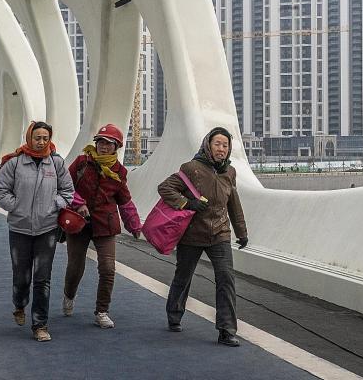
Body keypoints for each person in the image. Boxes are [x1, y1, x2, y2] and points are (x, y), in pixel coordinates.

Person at [158, 126, 248, 347]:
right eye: (217, 144)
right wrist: (188, 203)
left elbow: (233, 204)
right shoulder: (191, 168)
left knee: (226, 279)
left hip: (220, 233)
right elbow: (165, 188)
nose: (221, 149)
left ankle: (226, 330)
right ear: (208, 145)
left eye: (225, 145)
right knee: (183, 276)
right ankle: (174, 314)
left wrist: (242, 232)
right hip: (192, 234)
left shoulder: (230, 172)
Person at [0, 121, 74, 342]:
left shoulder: (56, 163)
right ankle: (19, 304)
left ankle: (40, 325)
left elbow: (68, 191)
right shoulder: (15, 163)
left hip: (47, 228)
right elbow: (0, 191)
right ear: (29, 137)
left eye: (45, 138)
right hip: (19, 228)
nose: (41, 142)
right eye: (37, 137)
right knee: (21, 277)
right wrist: (16, 206)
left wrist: (54, 204)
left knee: (42, 279)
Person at [63, 123, 142, 329]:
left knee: (108, 268)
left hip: (105, 225)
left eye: (109, 144)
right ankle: (69, 295)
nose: (104, 147)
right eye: (101, 142)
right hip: (79, 223)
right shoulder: (82, 162)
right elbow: (65, 186)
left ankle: (102, 311)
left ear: (117, 147)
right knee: (74, 267)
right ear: (95, 143)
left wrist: (134, 225)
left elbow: (125, 201)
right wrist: (79, 204)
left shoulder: (119, 172)